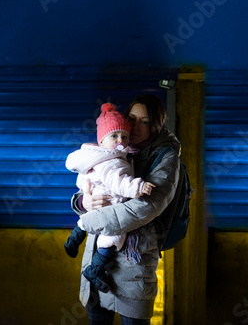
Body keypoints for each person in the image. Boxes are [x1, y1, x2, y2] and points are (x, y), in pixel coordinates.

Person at [71, 94, 182, 324]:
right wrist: (83, 203)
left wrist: (87, 222)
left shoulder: (166, 157)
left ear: (157, 124)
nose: (135, 126)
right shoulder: (112, 148)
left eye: (145, 120)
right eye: (132, 118)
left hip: (134, 266)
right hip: (97, 260)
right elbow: (89, 187)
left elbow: (143, 208)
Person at [64, 102, 156, 293]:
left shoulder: (95, 156)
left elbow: (146, 207)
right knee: (113, 237)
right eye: (114, 135)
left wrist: (86, 200)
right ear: (101, 141)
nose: (120, 140)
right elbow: (119, 183)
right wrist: (83, 201)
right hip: (108, 208)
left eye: (124, 136)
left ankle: (75, 238)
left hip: (130, 269)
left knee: (91, 224)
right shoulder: (113, 160)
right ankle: (96, 269)